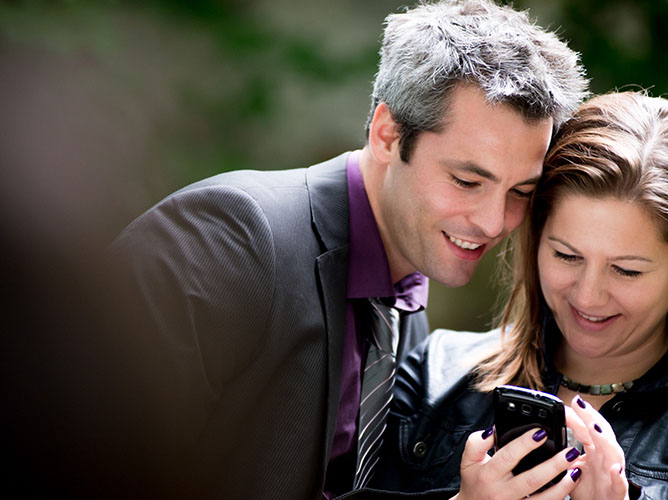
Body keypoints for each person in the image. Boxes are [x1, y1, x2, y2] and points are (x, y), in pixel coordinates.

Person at [107, 1, 587, 499]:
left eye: (521, 194)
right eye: (467, 180)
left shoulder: (404, 304)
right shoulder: (228, 240)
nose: (494, 222)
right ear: (387, 135)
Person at [375, 91, 668, 499]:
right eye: (567, 256)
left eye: (626, 270)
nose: (588, 296)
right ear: (536, 235)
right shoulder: (435, 373)